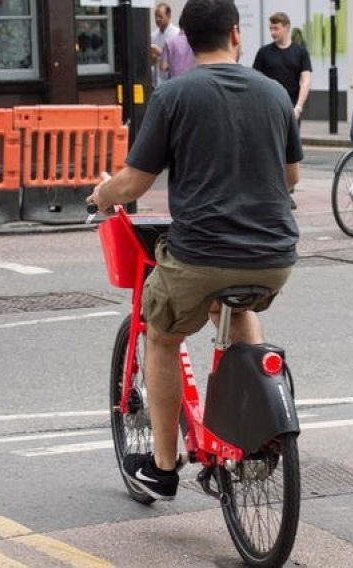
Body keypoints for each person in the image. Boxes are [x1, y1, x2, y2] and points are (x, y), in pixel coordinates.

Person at [87, 0, 301, 501]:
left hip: (201, 252)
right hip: (274, 257)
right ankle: (248, 432)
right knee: (239, 307)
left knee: (160, 336)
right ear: (235, 33)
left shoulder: (174, 95)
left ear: (185, 37)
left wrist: (100, 195)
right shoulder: (274, 93)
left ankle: (163, 466)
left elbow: (136, 180)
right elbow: (290, 176)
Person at [252, 11, 311, 209]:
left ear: (286, 28)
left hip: (292, 110)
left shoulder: (300, 52)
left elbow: (305, 81)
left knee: (290, 153)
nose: (272, 32)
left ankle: (286, 192)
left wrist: (299, 107)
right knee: (272, 151)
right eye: (271, 28)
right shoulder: (264, 53)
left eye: (276, 28)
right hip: (268, 111)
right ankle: (278, 192)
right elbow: (255, 81)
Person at [150, 2, 179, 87]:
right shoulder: (153, 36)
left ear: (169, 16)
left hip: (172, 82)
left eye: (160, 16)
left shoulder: (176, 34)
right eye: (156, 16)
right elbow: (151, 61)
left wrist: (160, 52)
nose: (157, 19)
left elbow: (179, 60)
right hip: (156, 82)